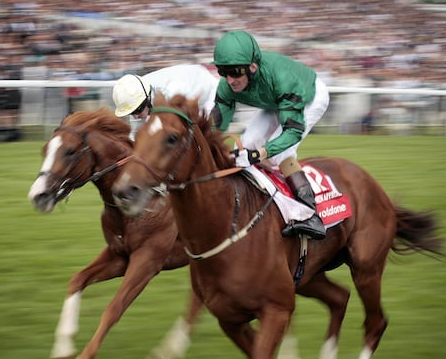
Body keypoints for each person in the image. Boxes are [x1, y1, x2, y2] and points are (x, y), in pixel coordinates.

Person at [211, 30, 330, 240]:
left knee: (279, 154)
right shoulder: (228, 85)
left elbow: (292, 132)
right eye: (223, 72)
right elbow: (216, 127)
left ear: (253, 67)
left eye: (236, 72)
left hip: (309, 95)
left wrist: (261, 154)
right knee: (246, 144)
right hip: (274, 100)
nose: (230, 80)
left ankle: (311, 215)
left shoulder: (283, 80)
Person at [112, 64, 219, 139]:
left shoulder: (171, 92)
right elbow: (135, 136)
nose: (135, 117)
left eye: (137, 111)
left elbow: (184, 129)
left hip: (206, 91)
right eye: (131, 113)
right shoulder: (136, 96)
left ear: (148, 98)